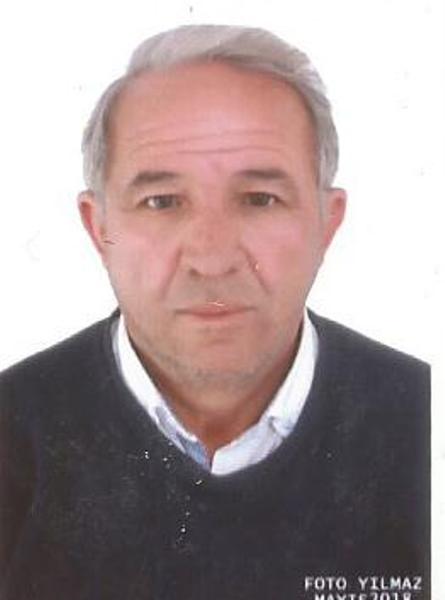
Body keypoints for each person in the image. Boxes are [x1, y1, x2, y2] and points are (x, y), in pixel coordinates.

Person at [0, 24, 429, 600]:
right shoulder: (12, 436)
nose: (212, 259)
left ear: (326, 223)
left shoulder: (424, 423)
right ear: (99, 228)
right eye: (161, 202)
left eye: (260, 199)